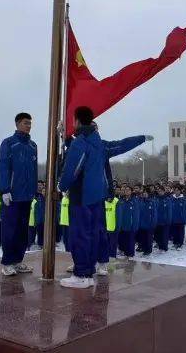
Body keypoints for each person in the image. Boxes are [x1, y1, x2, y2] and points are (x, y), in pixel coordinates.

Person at [57, 106, 148, 288]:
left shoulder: (80, 143)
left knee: (81, 235)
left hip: (82, 197)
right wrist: (142, 138)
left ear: (77, 121)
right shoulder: (100, 143)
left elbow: (72, 169)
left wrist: (62, 186)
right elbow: (122, 144)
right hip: (97, 198)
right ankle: (88, 273)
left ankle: (82, 275)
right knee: (93, 234)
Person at [0, 113, 39, 275]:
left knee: (22, 230)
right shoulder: (9, 143)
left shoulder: (33, 146)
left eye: (30, 123)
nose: (28, 126)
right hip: (12, 196)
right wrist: (4, 190)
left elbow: (34, 171)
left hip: (27, 196)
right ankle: (7, 262)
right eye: (25, 123)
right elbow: (2, 167)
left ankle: (18, 261)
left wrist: (34, 189)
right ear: (17, 124)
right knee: (10, 230)